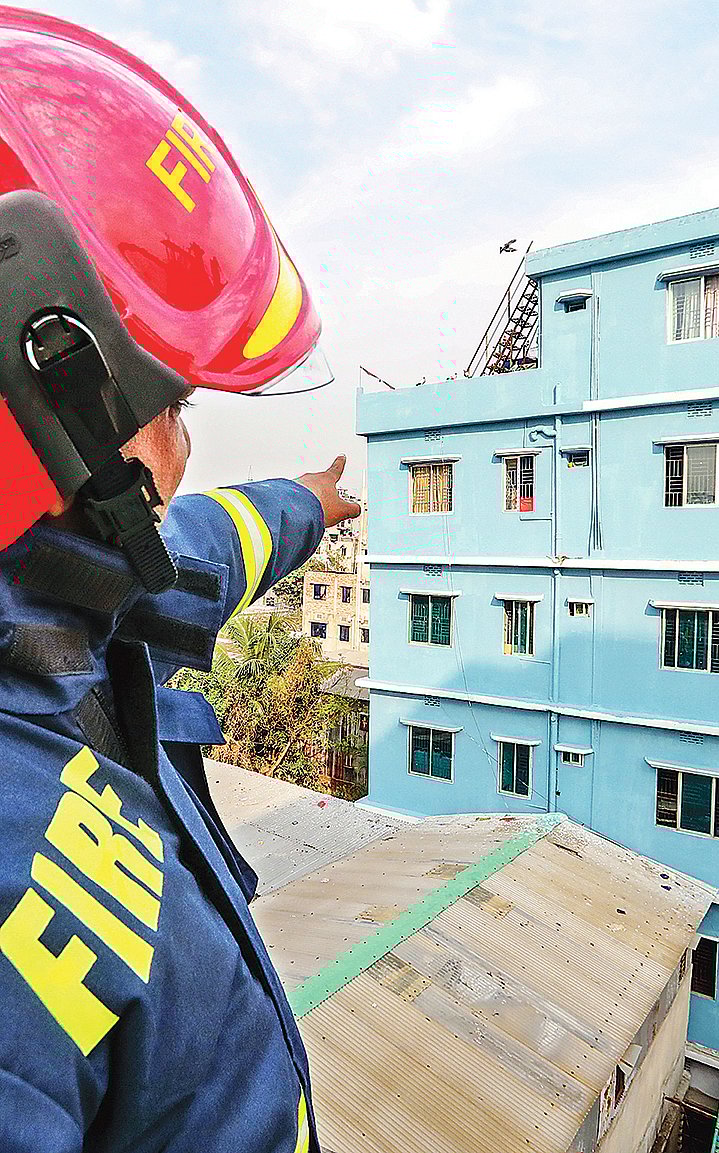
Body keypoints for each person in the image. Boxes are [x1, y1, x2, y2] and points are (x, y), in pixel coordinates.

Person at [0, 10, 358, 1151]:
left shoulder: (62, 607)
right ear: (51, 386)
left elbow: (207, 543)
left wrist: (309, 502)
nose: (183, 450)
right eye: (175, 407)